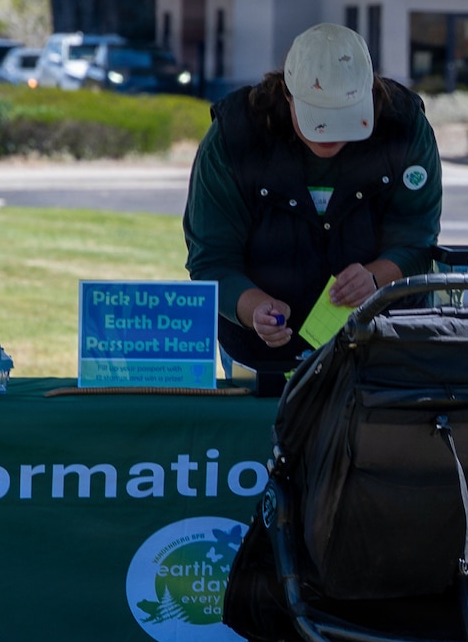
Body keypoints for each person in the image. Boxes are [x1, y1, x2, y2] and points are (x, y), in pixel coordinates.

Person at [185, 23, 441, 397]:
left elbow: (418, 239)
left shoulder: (404, 127)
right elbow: (211, 259)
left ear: (370, 92)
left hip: (383, 348)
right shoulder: (235, 136)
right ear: (287, 94)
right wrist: (255, 310)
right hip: (261, 360)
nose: (329, 134)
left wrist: (375, 278)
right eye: (316, 118)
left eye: (345, 117)